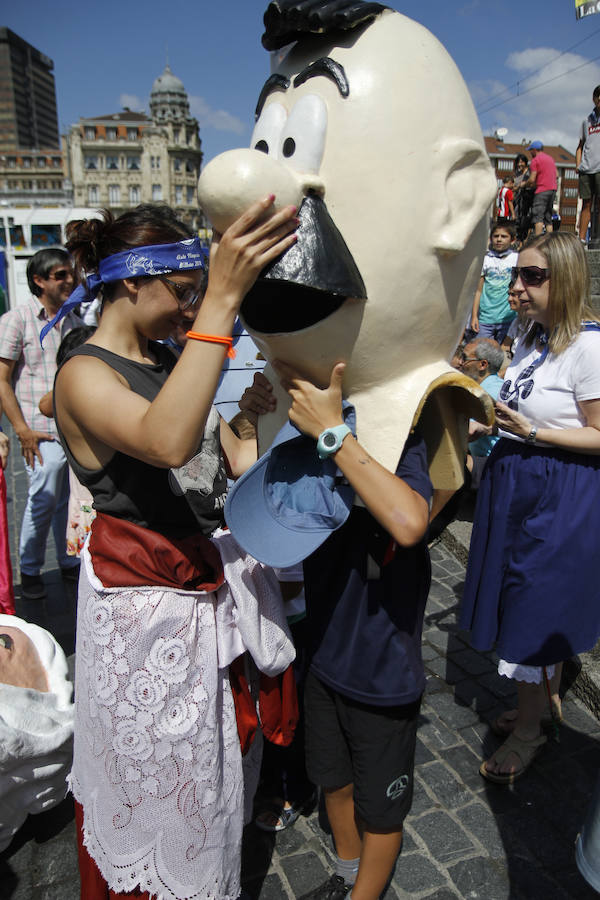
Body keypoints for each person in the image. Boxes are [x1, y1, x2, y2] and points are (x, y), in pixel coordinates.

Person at [52, 200, 298, 900]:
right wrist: (220, 301)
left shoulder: (165, 357)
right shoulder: (82, 374)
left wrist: (248, 422)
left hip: (199, 600)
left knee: (208, 790)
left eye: (197, 293)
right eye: (182, 291)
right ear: (132, 282)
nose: (189, 308)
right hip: (149, 616)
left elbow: (215, 464)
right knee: (155, 790)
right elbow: (164, 440)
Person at [460, 231, 600, 784]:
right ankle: (534, 706)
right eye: (516, 275)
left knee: (532, 603)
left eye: (533, 276)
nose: (518, 287)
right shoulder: (529, 337)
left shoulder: (589, 347)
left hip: (560, 492)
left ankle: (530, 732)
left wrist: (536, 432)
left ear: (565, 277)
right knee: (517, 595)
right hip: (516, 483)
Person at [0, 249, 82, 600]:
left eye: (70, 274)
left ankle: (67, 561)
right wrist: (20, 429)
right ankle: (30, 569)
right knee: (43, 497)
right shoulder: (17, 319)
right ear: (39, 280)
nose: (69, 281)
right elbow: (2, 379)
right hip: (36, 428)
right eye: (61, 275)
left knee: (68, 498)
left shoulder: (74, 321)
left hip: (69, 429)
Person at [455, 337, 505, 488]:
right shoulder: (485, 387)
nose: (460, 362)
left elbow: (465, 431)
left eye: (464, 357)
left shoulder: (491, 393)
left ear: (483, 364)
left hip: (491, 465)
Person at [470, 223, 518, 344]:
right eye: (496, 236)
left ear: (512, 240)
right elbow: (478, 290)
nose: (499, 239)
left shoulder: (517, 259)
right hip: (486, 318)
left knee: (503, 355)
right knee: (483, 353)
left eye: (503, 236)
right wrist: (474, 316)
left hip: (508, 318)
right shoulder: (485, 259)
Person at [576, 84, 600, 244]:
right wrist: (578, 165)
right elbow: (580, 145)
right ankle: (582, 239)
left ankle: (597, 237)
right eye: (598, 97)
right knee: (586, 203)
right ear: (594, 99)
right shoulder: (587, 121)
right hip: (586, 168)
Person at [521, 141, 557, 236]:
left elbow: (532, 179)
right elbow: (556, 175)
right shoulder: (550, 159)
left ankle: (538, 242)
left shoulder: (535, 160)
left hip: (542, 191)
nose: (530, 153)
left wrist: (524, 184)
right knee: (548, 217)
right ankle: (549, 241)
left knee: (538, 216)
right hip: (552, 189)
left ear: (534, 150)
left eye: (530, 150)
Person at [513, 153, 533, 244]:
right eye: (518, 162)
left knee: (526, 220)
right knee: (519, 220)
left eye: (521, 162)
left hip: (528, 198)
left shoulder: (530, 172)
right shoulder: (517, 174)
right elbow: (514, 186)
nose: (519, 164)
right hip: (518, 199)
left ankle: (525, 240)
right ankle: (520, 240)